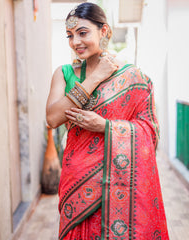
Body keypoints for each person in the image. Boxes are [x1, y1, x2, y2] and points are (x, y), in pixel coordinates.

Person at [46, 2, 169, 240]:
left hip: (119, 182)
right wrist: (94, 78)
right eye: (70, 36)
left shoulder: (134, 77)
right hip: (77, 180)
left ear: (104, 32)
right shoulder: (64, 73)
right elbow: (52, 118)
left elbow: (150, 131)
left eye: (83, 33)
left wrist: (105, 127)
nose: (75, 42)